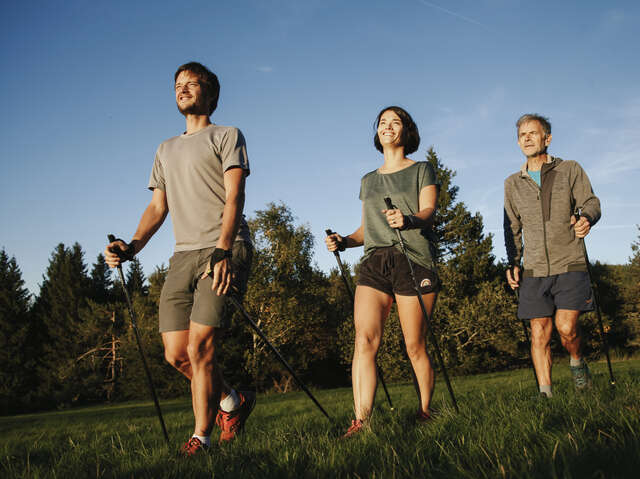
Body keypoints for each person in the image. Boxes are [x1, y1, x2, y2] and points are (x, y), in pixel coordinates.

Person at [105, 62, 255, 455]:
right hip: (182, 254)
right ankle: (232, 402)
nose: (182, 89)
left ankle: (201, 437)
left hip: (224, 247)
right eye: (177, 85)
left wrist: (224, 250)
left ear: (211, 94)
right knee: (176, 353)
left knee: (201, 347)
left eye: (192, 83)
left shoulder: (227, 135)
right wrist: (132, 246)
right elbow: (158, 207)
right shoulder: (165, 148)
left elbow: (235, 195)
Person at [325, 106, 439, 437]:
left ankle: (426, 411)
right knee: (364, 339)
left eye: (395, 122)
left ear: (407, 131)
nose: (388, 127)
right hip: (376, 261)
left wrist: (409, 219)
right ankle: (361, 421)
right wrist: (344, 241)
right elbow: (367, 229)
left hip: (413, 258)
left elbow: (429, 210)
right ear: (377, 132)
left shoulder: (421, 169)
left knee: (414, 344)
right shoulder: (368, 180)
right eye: (382, 123)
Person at [504, 113, 601, 398]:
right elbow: (512, 226)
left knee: (566, 327)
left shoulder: (569, 169)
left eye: (533, 133)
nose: (527, 138)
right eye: (522, 134)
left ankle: (577, 361)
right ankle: (546, 396)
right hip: (533, 268)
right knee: (539, 332)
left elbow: (591, 201)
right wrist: (513, 262)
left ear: (547, 138)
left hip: (569, 261)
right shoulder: (512, 183)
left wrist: (587, 218)